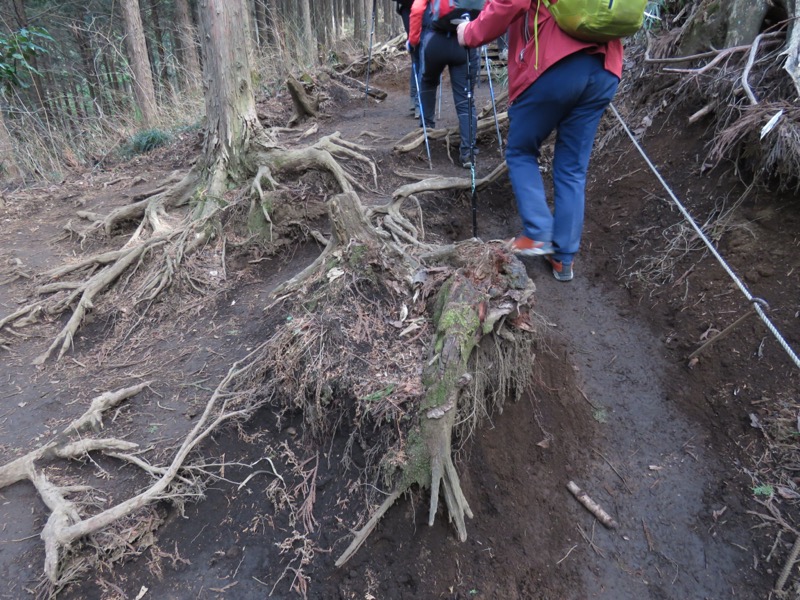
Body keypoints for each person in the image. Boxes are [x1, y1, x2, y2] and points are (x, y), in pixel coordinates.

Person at [456, 1, 622, 282]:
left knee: (521, 151)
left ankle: (538, 233)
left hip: (554, 62)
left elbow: (510, 3)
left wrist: (469, 33)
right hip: (605, 68)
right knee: (572, 167)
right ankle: (563, 258)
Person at [408, 0, 480, 168]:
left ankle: (426, 137)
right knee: (465, 100)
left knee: (428, 83)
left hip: (436, 41)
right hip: (465, 42)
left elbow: (417, 9)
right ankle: (468, 153)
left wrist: (413, 41)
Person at [395, 0, 421, 117]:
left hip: (412, 7)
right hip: (412, 8)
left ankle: (415, 99)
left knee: (417, 56)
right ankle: (418, 103)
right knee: (419, 55)